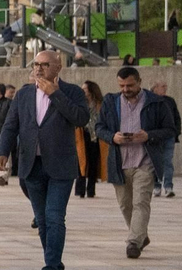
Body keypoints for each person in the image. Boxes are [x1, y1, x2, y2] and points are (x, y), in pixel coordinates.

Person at [0, 49, 90, 270]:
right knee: (42, 220)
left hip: (60, 166)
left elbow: (80, 118)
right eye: (36, 64)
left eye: (45, 65)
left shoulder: (72, 92)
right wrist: (2, 152)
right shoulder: (24, 94)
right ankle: (55, 266)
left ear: (58, 67)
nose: (39, 69)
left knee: (55, 216)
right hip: (31, 166)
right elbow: (10, 125)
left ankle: (49, 269)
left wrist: (55, 94)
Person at [94, 66, 177, 258]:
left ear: (139, 82)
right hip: (119, 161)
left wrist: (148, 135)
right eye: (121, 85)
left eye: (129, 85)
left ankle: (133, 242)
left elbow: (170, 130)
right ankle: (141, 235)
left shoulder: (156, 102)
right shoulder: (110, 102)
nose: (125, 89)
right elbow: (99, 128)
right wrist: (112, 137)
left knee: (141, 202)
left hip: (145, 162)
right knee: (125, 204)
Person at [75, 81, 106, 199]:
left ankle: (91, 190)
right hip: (83, 134)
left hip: (96, 136)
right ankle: (80, 190)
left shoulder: (100, 104)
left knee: (93, 163)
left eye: (85, 89)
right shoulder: (81, 103)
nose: (83, 92)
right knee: (81, 162)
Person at [152, 81, 178, 198]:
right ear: (155, 88)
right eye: (162, 86)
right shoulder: (150, 101)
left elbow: (177, 117)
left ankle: (168, 187)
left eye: (166, 86)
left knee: (167, 162)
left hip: (169, 136)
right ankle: (156, 186)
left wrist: (176, 132)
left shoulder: (170, 101)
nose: (165, 88)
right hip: (155, 137)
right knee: (155, 163)